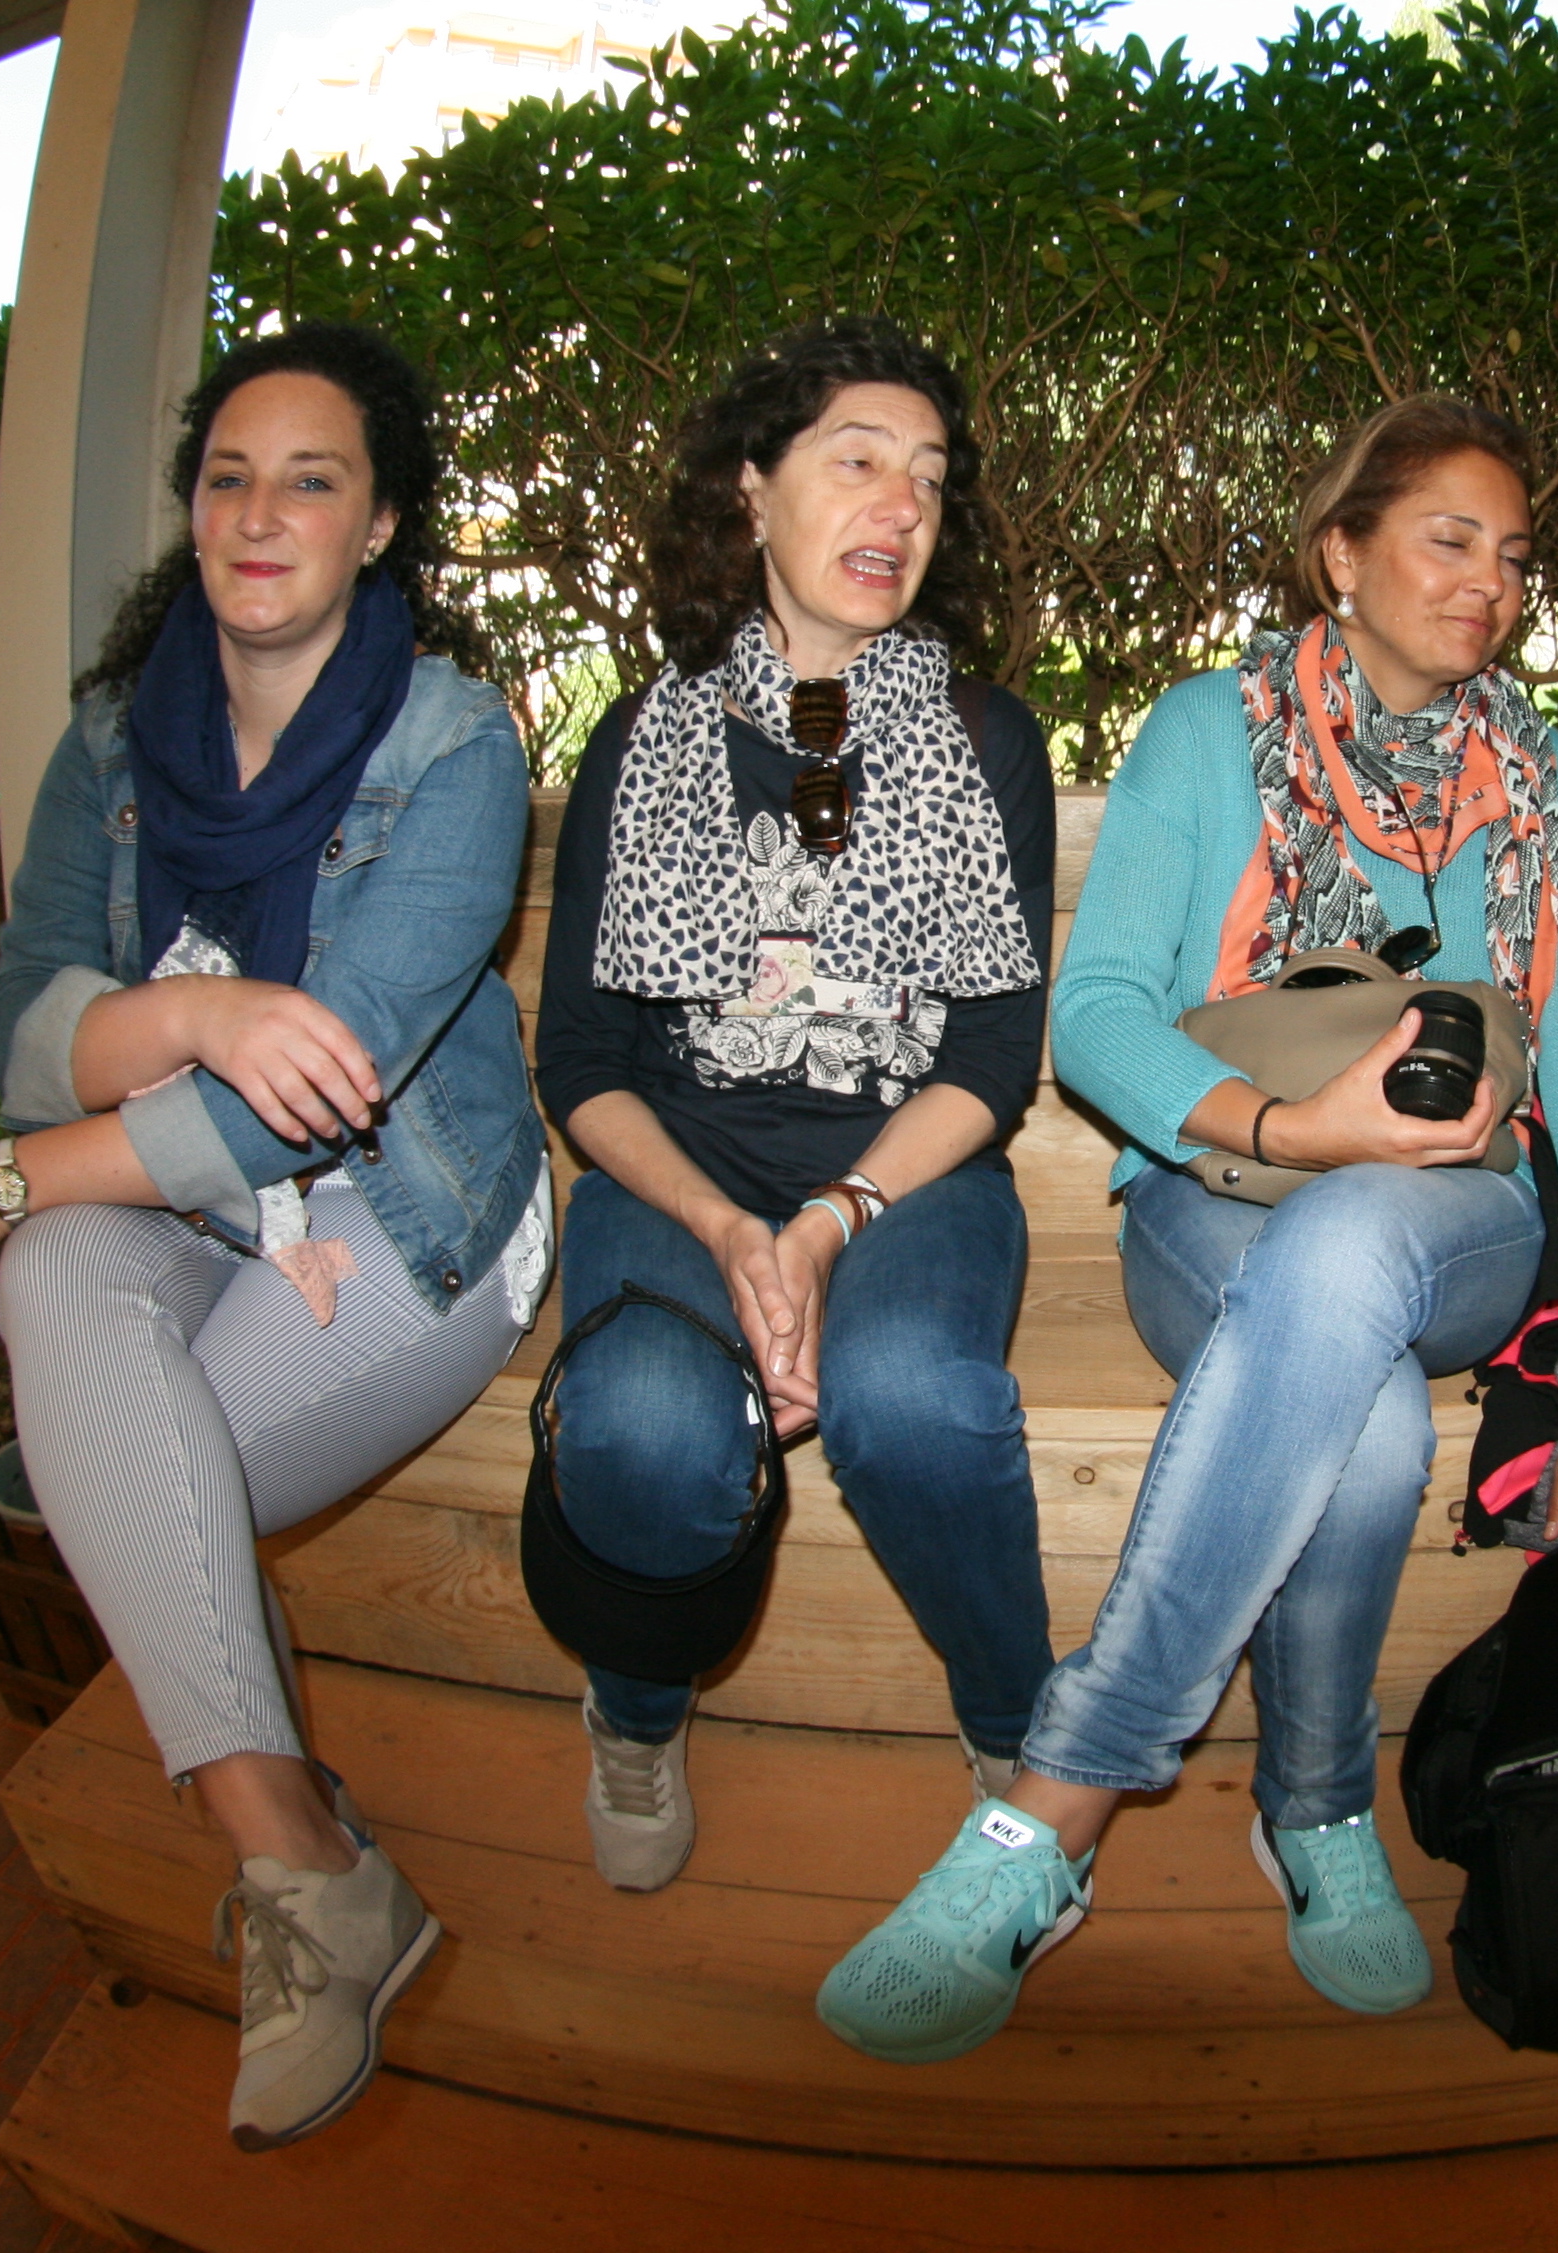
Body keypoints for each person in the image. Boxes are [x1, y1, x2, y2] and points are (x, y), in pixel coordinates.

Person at [818, 395, 1558, 2065]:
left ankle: (1055, 1805)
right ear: (1341, 552)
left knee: (1354, 1246)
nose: (1489, 583)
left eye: (1513, 557)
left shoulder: (1544, 780)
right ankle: (1316, 1802)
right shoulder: (1210, 732)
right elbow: (1097, 1018)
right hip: (1210, 1198)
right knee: (1363, 1430)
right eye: (1448, 539)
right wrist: (1293, 1129)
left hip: (1456, 1226)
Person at [0, 324, 549, 2148]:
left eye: (312, 480)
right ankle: (308, 1863)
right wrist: (192, 1012)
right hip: (181, 1208)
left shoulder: (453, 743)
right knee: (69, 1287)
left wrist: (8, 1177)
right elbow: (21, 1031)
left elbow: (314, 1098)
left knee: (109, 1459)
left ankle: (300, 1857)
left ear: (379, 523)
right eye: (229, 475)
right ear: (192, 508)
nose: (260, 514)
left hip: (409, 1216)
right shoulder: (115, 738)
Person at [533, 318, 1057, 1896]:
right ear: (751, 492)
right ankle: (637, 1706)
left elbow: (988, 1060)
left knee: (917, 1400)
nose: (901, 503)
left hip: (906, 1180)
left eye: (929, 477)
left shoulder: (983, 742)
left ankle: (1016, 1727)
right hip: (676, 1173)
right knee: (640, 1422)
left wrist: (826, 1225)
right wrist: (721, 1227)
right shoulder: (643, 739)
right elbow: (584, 1059)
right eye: (857, 461)